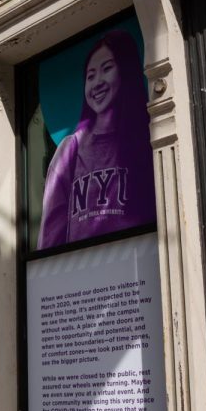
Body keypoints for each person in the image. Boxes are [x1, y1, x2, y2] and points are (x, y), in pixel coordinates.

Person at [37, 29, 155, 249]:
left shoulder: (148, 138)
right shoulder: (70, 150)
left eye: (107, 69)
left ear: (125, 72)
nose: (97, 82)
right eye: (90, 76)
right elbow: (49, 239)